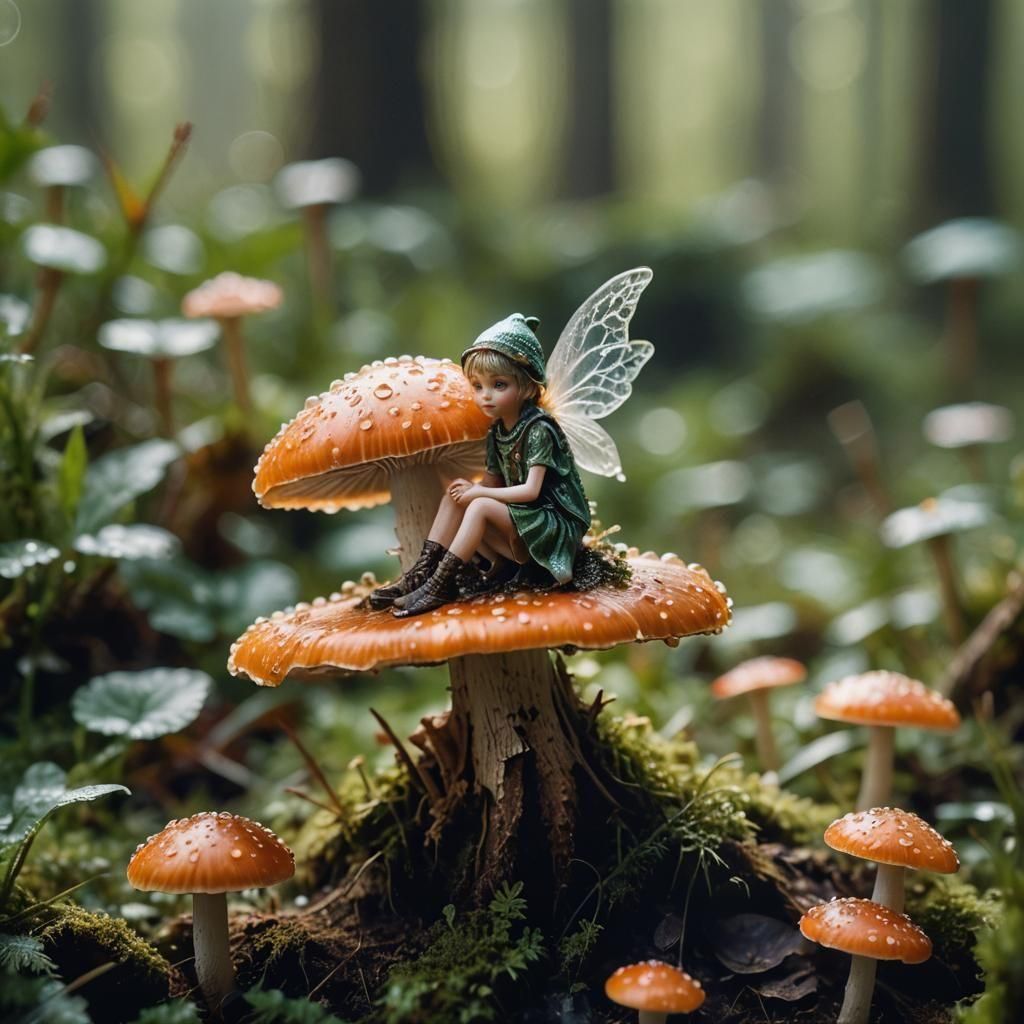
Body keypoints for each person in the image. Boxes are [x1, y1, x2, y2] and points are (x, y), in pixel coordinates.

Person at [369, 313, 591, 617]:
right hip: (523, 519)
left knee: (480, 506)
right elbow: (491, 484)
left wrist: (478, 494)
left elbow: (530, 491)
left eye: (499, 385)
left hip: (551, 525)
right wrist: (470, 489)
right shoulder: (497, 431)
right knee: (455, 495)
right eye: (477, 386)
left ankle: (439, 585)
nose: (486, 395)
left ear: (527, 387)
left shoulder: (539, 429)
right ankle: (419, 576)